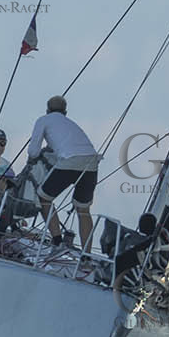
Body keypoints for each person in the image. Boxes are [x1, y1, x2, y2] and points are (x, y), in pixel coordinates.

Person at [26, 95, 100, 249]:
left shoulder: (43, 120)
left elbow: (33, 152)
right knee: (83, 210)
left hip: (69, 160)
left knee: (43, 198)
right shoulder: (71, 124)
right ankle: (86, 254)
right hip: (92, 162)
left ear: (47, 110)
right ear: (65, 112)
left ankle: (57, 240)